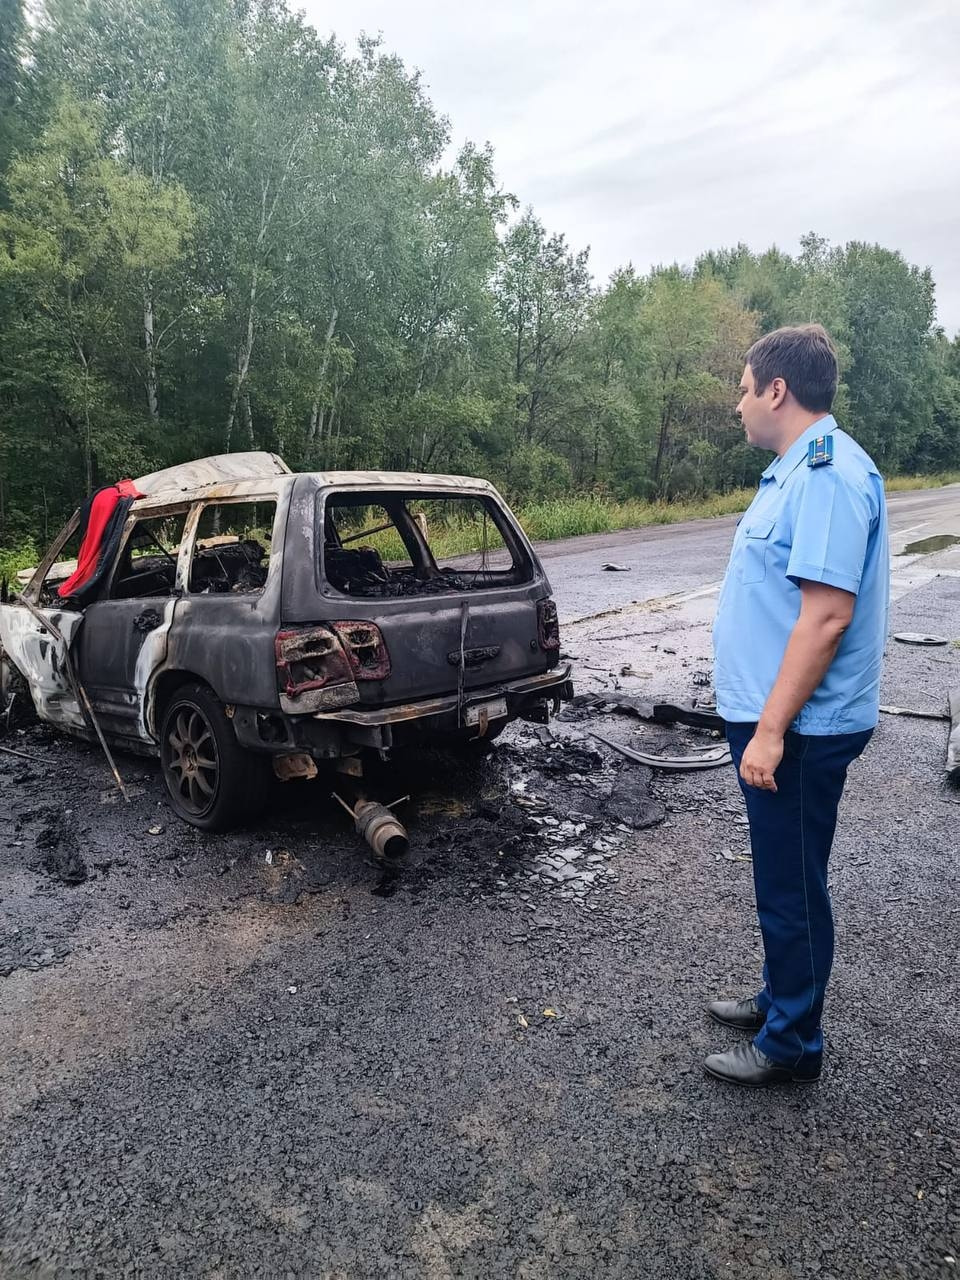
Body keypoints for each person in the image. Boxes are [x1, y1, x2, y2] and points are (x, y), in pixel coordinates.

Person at [706, 323, 889, 1086]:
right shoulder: (795, 472)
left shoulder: (825, 475)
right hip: (785, 719)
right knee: (785, 873)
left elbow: (825, 617)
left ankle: (792, 1045)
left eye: (744, 389)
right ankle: (785, 997)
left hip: (802, 728)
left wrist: (772, 730)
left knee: (791, 882)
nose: (738, 406)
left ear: (777, 390)